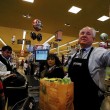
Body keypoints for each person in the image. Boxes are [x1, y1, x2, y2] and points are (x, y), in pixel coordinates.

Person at [68, 26, 110, 110]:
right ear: (79, 38)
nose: (84, 35)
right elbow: (69, 76)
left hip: (92, 99)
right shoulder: (73, 55)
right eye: (82, 33)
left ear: (93, 39)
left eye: (88, 34)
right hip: (74, 97)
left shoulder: (100, 52)